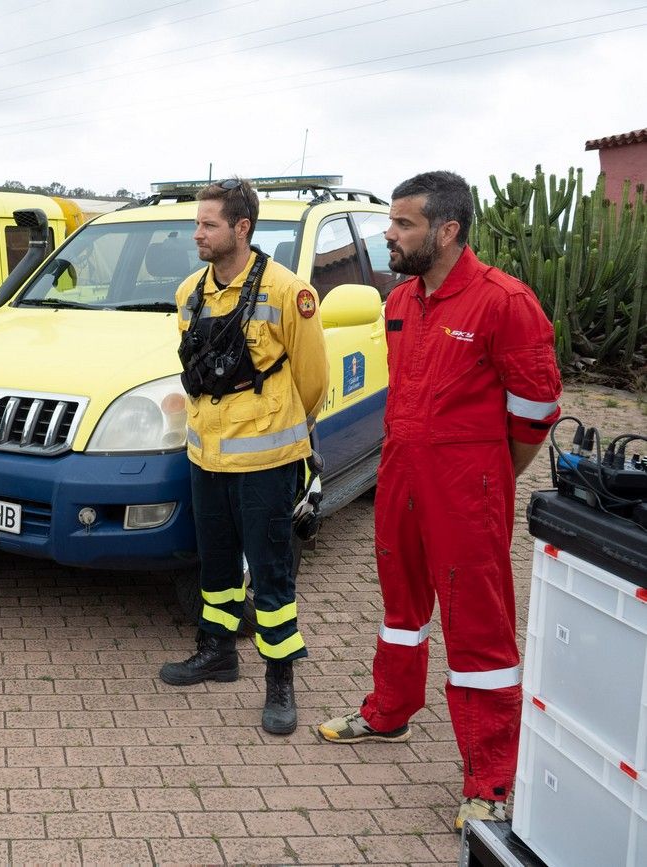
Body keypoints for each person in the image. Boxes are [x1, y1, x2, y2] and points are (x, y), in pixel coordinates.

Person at [317, 171, 562, 830]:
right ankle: (389, 711)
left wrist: (491, 474)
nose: (388, 234)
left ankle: (489, 777)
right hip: (401, 475)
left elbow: (536, 409)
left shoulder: (504, 302)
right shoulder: (399, 300)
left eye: (402, 224)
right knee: (401, 603)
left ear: (447, 230)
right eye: (391, 222)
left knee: (478, 626)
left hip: (467, 486)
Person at [160, 179, 327, 737]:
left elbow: (312, 380)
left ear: (242, 228)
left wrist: (281, 433)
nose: (198, 234)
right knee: (216, 563)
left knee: (272, 573)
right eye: (198, 224)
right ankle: (217, 652)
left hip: (267, 462)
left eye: (208, 225)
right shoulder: (190, 292)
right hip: (206, 457)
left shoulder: (287, 291)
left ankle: (280, 679)